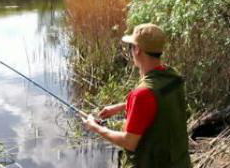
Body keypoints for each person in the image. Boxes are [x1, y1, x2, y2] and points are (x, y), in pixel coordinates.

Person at [82, 23, 191, 168]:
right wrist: (122, 106)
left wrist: (96, 128)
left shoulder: (142, 93)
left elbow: (129, 142)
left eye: (131, 47)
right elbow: (159, 102)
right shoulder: (172, 77)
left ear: (138, 49)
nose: (131, 51)